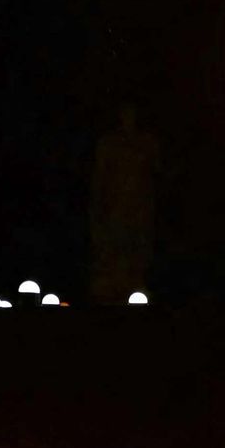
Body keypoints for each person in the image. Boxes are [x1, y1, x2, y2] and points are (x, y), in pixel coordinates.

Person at [87, 103, 161, 305]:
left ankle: (134, 283)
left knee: (136, 247)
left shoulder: (146, 143)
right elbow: (100, 177)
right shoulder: (109, 144)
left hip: (140, 207)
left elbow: (157, 172)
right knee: (116, 245)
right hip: (116, 207)